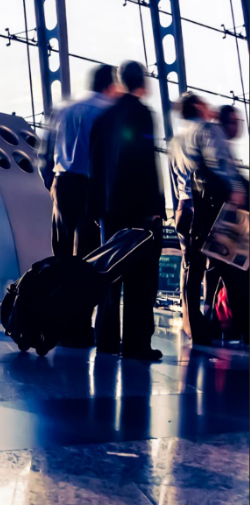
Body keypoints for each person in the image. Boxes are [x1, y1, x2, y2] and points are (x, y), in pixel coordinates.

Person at [89, 61, 165, 361]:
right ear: (141, 81)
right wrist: (155, 208)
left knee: (110, 272)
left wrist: (97, 209)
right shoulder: (142, 113)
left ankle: (106, 338)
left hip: (109, 210)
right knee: (142, 278)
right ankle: (136, 343)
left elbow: (95, 165)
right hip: (139, 209)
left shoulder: (104, 117)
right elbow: (145, 160)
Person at [170, 93, 246, 344]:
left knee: (191, 271)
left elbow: (176, 178)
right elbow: (220, 163)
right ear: (196, 106)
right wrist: (237, 188)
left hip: (184, 210)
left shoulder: (176, 139)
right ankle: (239, 326)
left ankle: (194, 328)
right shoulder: (207, 130)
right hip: (208, 210)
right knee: (230, 268)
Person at [41, 64, 119, 264]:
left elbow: (45, 151)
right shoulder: (109, 112)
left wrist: (51, 182)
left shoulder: (65, 109)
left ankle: (60, 283)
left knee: (62, 249)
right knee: (89, 252)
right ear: (111, 85)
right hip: (92, 186)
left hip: (62, 183)